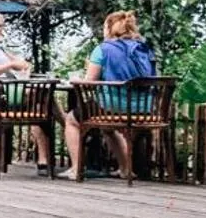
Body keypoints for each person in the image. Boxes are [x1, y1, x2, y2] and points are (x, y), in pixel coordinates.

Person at [66, 10, 157, 180]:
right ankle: (126, 169)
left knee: (72, 119)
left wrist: (78, 79)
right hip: (145, 109)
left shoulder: (103, 49)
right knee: (107, 128)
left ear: (108, 28)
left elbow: (90, 81)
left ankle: (76, 168)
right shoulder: (145, 49)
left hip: (112, 107)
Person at [0, 10, 53, 171]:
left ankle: (44, 157)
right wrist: (10, 65)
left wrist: (21, 65)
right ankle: (65, 130)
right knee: (42, 101)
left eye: (1, 26)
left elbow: (18, 62)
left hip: (6, 93)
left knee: (42, 102)